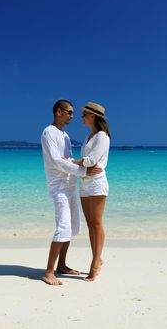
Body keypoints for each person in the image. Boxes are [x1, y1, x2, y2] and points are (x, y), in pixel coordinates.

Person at [41, 99, 102, 286]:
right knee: (63, 226)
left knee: (73, 226)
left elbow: (66, 159)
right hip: (58, 186)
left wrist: (78, 164)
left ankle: (62, 265)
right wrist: (84, 171)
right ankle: (49, 271)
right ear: (59, 112)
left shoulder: (65, 135)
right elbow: (56, 161)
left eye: (73, 113)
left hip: (70, 184)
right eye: (69, 112)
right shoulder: (48, 132)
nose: (72, 116)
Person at [71, 102, 110, 281]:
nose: (81, 117)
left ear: (92, 116)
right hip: (84, 182)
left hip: (96, 183)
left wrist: (71, 162)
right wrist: (82, 165)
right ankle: (98, 258)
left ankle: (95, 263)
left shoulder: (102, 136)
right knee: (90, 224)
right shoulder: (88, 137)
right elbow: (87, 162)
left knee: (96, 223)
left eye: (84, 114)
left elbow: (91, 160)